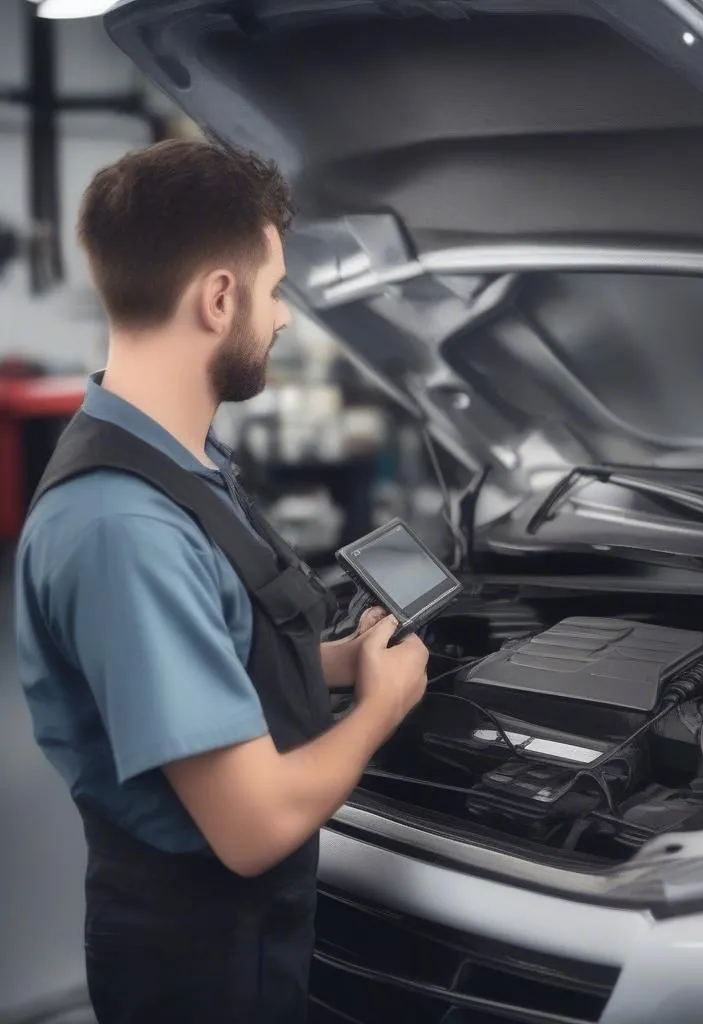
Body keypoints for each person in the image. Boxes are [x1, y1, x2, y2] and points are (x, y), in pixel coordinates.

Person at [13, 139, 430, 1023]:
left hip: (246, 941)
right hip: (196, 967)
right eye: (275, 292)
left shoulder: (182, 466)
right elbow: (253, 828)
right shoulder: (124, 527)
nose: (281, 319)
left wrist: (336, 663)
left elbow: (218, 649)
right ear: (217, 297)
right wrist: (383, 706)